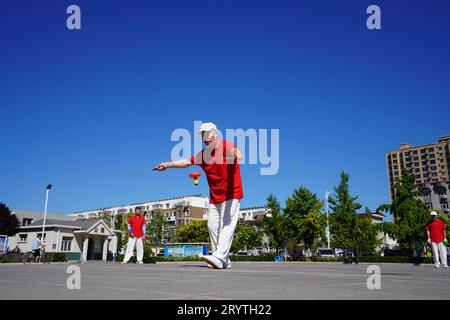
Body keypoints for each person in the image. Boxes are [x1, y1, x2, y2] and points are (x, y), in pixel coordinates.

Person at [154, 122, 243, 269]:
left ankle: (219, 257)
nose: (205, 138)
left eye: (208, 134)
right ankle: (222, 260)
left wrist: (237, 155)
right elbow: (185, 162)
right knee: (212, 226)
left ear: (215, 133)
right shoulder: (203, 155)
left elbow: (236, 152)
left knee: (227, 224)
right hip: (215, 197)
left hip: (232, 193)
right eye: (203, 135)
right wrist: (166, 164)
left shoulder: (226, 145)